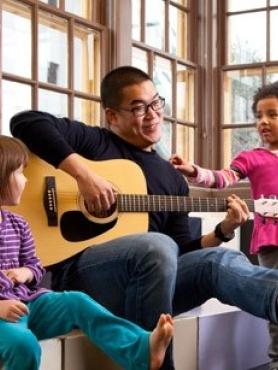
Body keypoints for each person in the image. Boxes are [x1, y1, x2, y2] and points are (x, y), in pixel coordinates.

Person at [10, 66, 278, 370]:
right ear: (112, 116)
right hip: (86, 280)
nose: (152, 114)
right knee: (156, 245)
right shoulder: (96, 143)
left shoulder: (173, 179)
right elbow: (26, 122)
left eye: (156, 103)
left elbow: (181, 250)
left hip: (152, 284)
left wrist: (223, 229)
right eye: (138, 107)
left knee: (217, 260)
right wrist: (83, 176)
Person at [0, 135, 173, 370]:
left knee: (77, 302)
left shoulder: (19, 224)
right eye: (19, 173)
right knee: (23, 344)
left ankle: (139, 349)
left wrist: (25, 273)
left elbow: (35, 265)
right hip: (3, 313)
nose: (26, 180)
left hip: (27, 304)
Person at [170, 80, 278, 370]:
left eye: (273, 115)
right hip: (272, 243)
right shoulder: (251, 158)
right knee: (275, 303)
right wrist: (193, 171)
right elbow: (222, 178)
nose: (263, 122)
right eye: (258, 115)